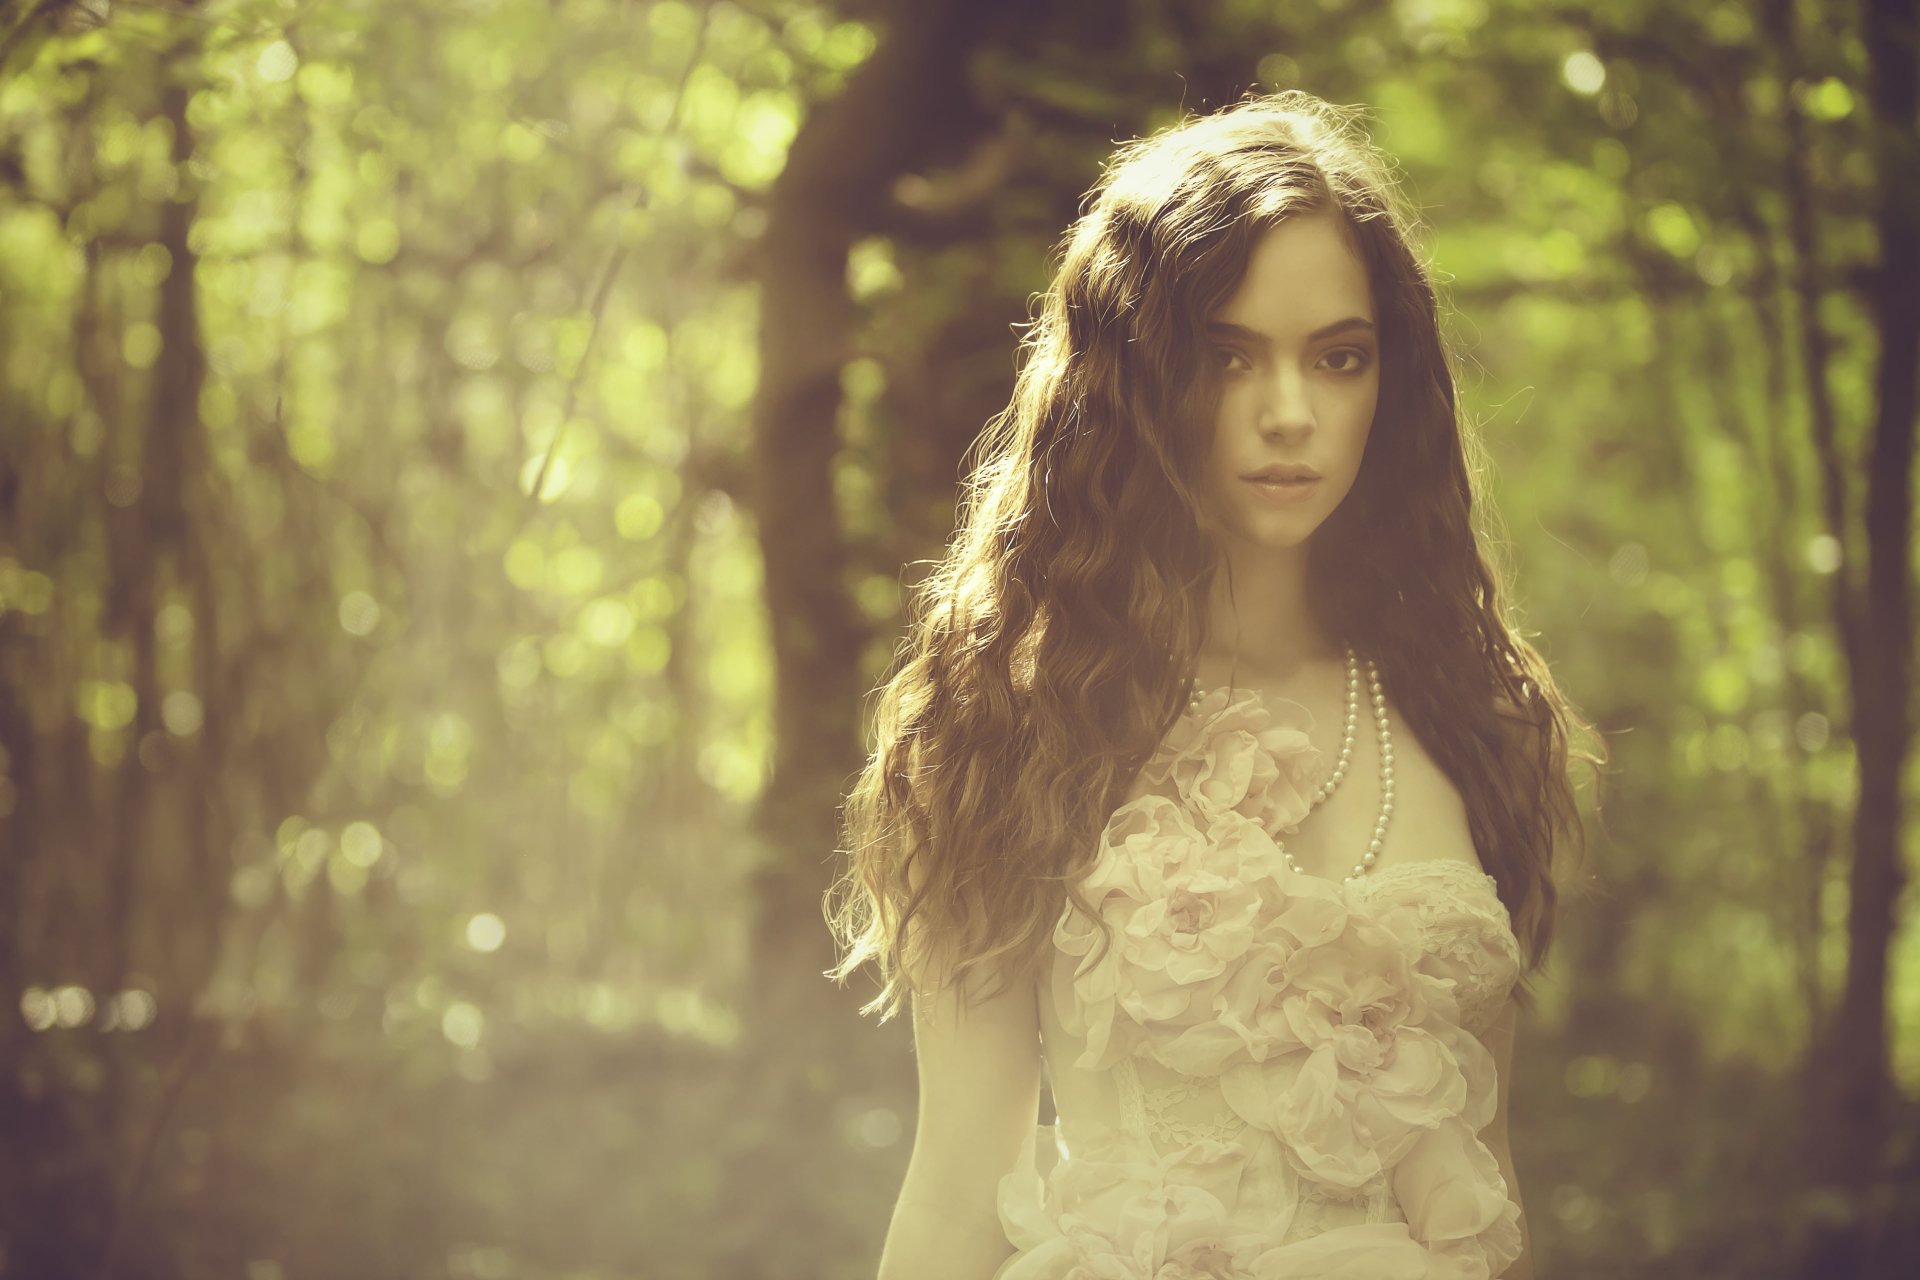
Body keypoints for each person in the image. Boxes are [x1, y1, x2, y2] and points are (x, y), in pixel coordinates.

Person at [825, 89, 1604, 1280]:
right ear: (1133, 378)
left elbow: (1488, 1195)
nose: (1290, 412)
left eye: (1338, 358)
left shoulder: (1470, 710)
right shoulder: (1015, 725)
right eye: (1228, 355)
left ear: (1389, 382)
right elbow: (955, 1189)